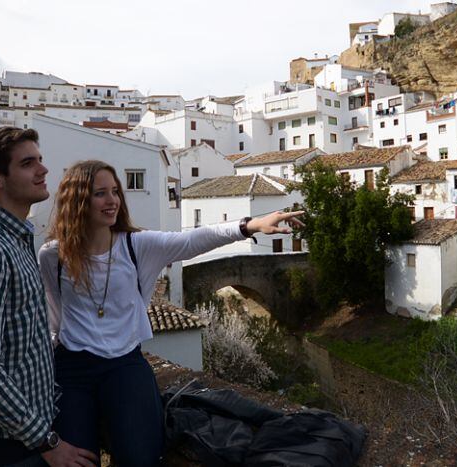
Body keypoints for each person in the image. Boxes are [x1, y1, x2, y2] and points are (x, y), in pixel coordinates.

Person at [38, 160, 302, 465]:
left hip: (124, 364)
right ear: (78, 201)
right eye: (100, 193)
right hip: (72, 369)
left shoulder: (137, 246)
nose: (112, 201)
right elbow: (57, 314)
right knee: (77, 460)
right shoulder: (53, 256)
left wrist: (248, 226)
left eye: (115, 192)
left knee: (141, 457)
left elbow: (192, 240)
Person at [0, 127, 98, 467]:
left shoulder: (14, 238)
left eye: (40, 160)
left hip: (17, 434)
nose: (43, 169)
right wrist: (48, 442)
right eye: (28, 163)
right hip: (1, 441)